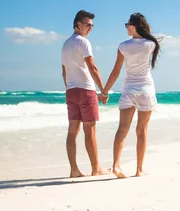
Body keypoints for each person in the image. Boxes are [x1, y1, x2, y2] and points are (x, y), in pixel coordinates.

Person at [101, 13, 161, 178]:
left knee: (122, 129)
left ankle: (116, 166)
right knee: (142, 130)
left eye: (127, 24)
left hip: (128, 90)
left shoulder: (123, 46)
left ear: (134, 25)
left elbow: (115, 72)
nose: (126, 27)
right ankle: (139, 170)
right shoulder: (151, 45)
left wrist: (105, 92)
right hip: (146, 90)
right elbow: (150, 41)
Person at [61, 10, 110, 178]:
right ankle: (96, 168)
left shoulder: (66, 44)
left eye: (92, 26)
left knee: (72, 131)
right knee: (90, 130)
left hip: (71, 91)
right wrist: (103, 90)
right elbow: (92, 67)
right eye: (88, 25)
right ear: (78, 24)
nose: (90, 28)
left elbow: (64, 71)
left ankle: (74, 170)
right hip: (86, 90)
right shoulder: (83, 42)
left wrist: (69, 89)